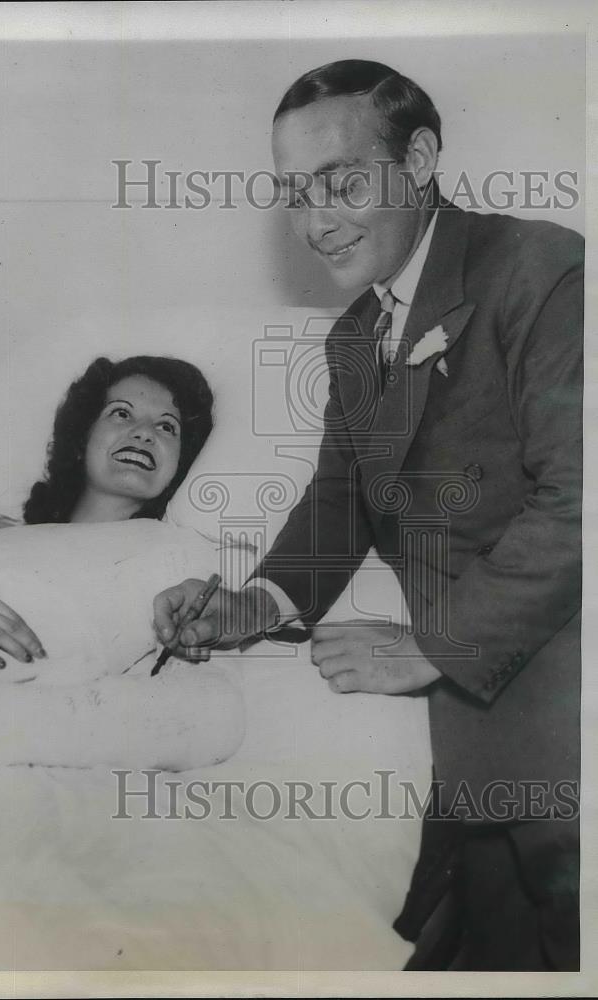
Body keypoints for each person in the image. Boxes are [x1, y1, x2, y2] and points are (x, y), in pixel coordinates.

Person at [153, 60, 582, 970]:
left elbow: (580, 498)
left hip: (561, 671)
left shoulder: (540, 268)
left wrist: (430, 647)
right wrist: (252, 603)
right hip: (458, 717)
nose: (315, 222)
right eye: (293, 194)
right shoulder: (355, 334)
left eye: (342, 181)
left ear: (420, 157)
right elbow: (339, 504)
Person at [0, 356, 245, 772]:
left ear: (179, 466)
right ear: (82, 439)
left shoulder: (176, 557)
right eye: (121, 413)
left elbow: (203, 710)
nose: (143, 433)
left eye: (167, 427)